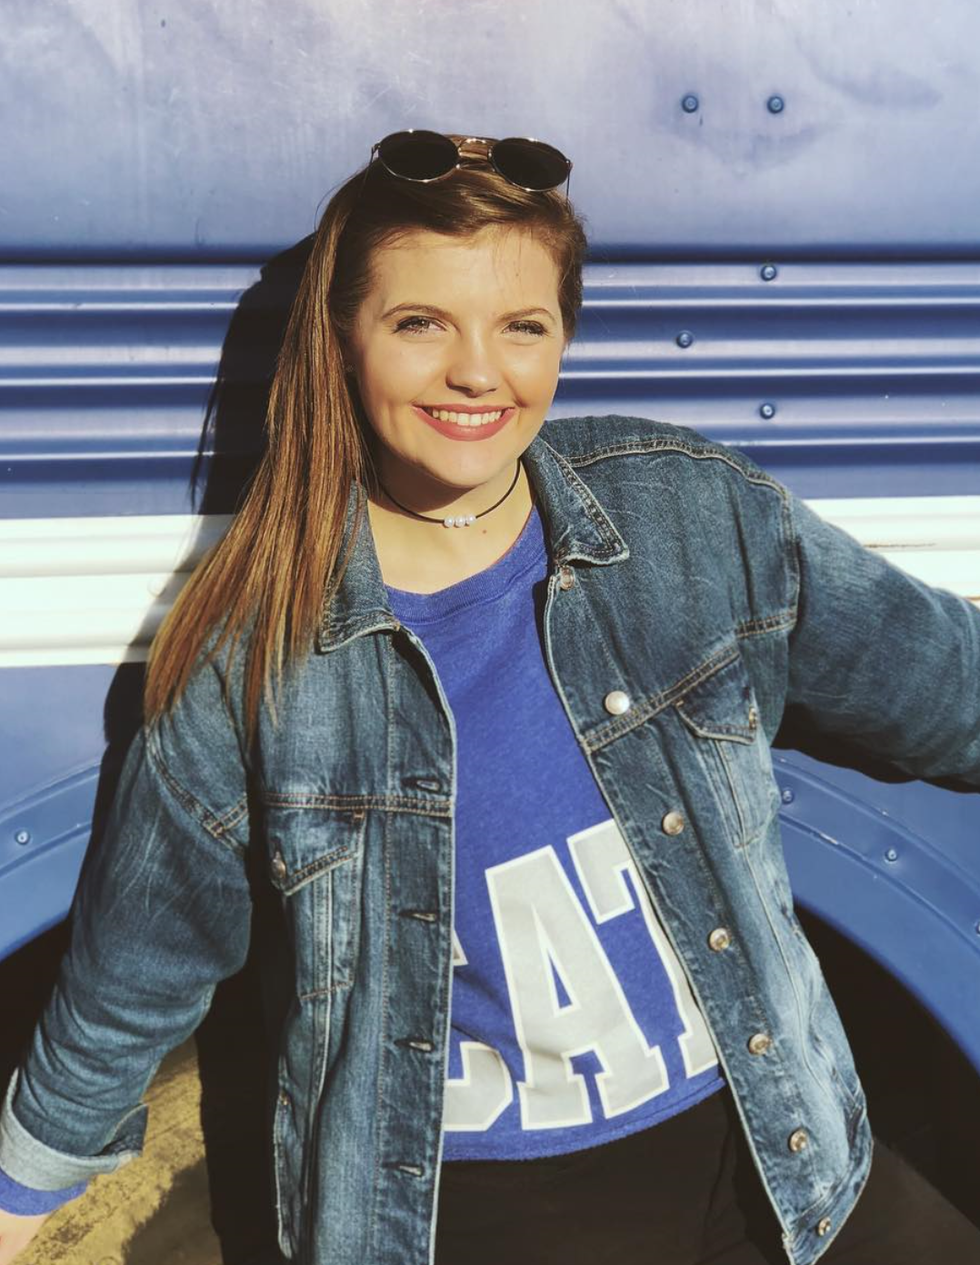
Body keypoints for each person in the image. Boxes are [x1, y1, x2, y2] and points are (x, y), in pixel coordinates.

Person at [0, 128, 978, 1265]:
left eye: (523, 326)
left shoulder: (688, 517)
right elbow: (136, 974)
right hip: (478, 1217)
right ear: (342, 339)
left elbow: (944, 683)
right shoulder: (256, 654)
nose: (479, 373)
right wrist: (19, 1201)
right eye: (421, 323)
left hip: (782, 1166)